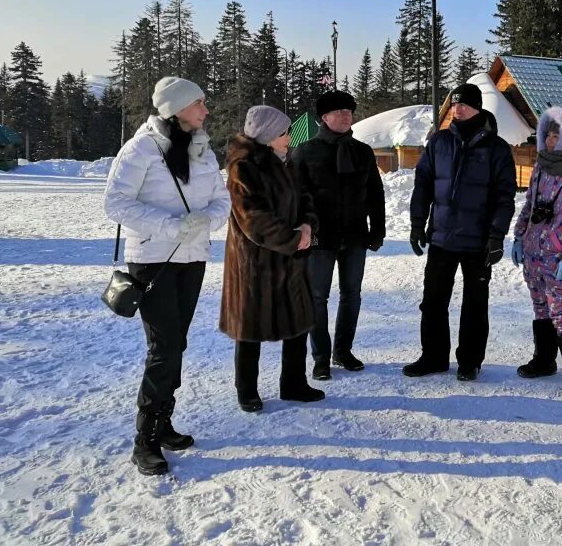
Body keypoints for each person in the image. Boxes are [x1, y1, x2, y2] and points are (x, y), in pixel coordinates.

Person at [103, 77, 231, 476]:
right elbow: (115, 202)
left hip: (192, 259)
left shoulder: (202, 149)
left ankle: (163, 422)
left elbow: (222, 201)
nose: (206, 111)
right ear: (176, 109)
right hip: (154, 260)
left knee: (176, 343)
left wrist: (202, 222)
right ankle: (145, 440)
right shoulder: (140, 148)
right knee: (163, 348)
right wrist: (171, 226)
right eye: (199, 104)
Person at [405, 82, 516, 381]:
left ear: (478, 108)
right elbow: (423, 185)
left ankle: (470, 361)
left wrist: (496, 236)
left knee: (475, 305)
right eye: (454, 104)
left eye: (464, 104)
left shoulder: (497, 148)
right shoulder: (439, 142)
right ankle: (433, 357)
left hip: (478, 241)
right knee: (433, 301)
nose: (457, 108)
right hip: (441, 237)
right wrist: (418, 224)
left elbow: (504, 197)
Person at [220, 105, 324, 412]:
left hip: (291, 256)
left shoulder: (285, 160)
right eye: (284, 132)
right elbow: (253, 218)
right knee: (250, 327)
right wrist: (294, 239)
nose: (289, 136)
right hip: (255, 261)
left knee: (298, 321)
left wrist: (307, 224)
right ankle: (246, 390)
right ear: (267, 136)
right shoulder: (244, 166)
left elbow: (304, 196)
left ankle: (293, 383)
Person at [292, 90, 385, 379]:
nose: (347, 116)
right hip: (320, 238)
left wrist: (378, 228)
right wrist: (303, 230)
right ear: (324, 117)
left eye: (349, 111)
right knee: (317, 297)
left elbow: (375, 193)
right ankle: (320, 356)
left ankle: (343, 351)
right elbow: (295, 196)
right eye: (340, 111)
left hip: (355, 235)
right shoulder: (305, 152)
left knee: (351, 295)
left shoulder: (362, 151)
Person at [511, 106, 562, 397]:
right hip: (534, 253)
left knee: (560, 309)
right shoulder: (540, 167)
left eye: (556, 136)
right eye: (547, 135)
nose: (549, 141)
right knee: (540, 306)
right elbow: (529, 207)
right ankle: (544, 360)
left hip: (558, 257)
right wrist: (519, 237)